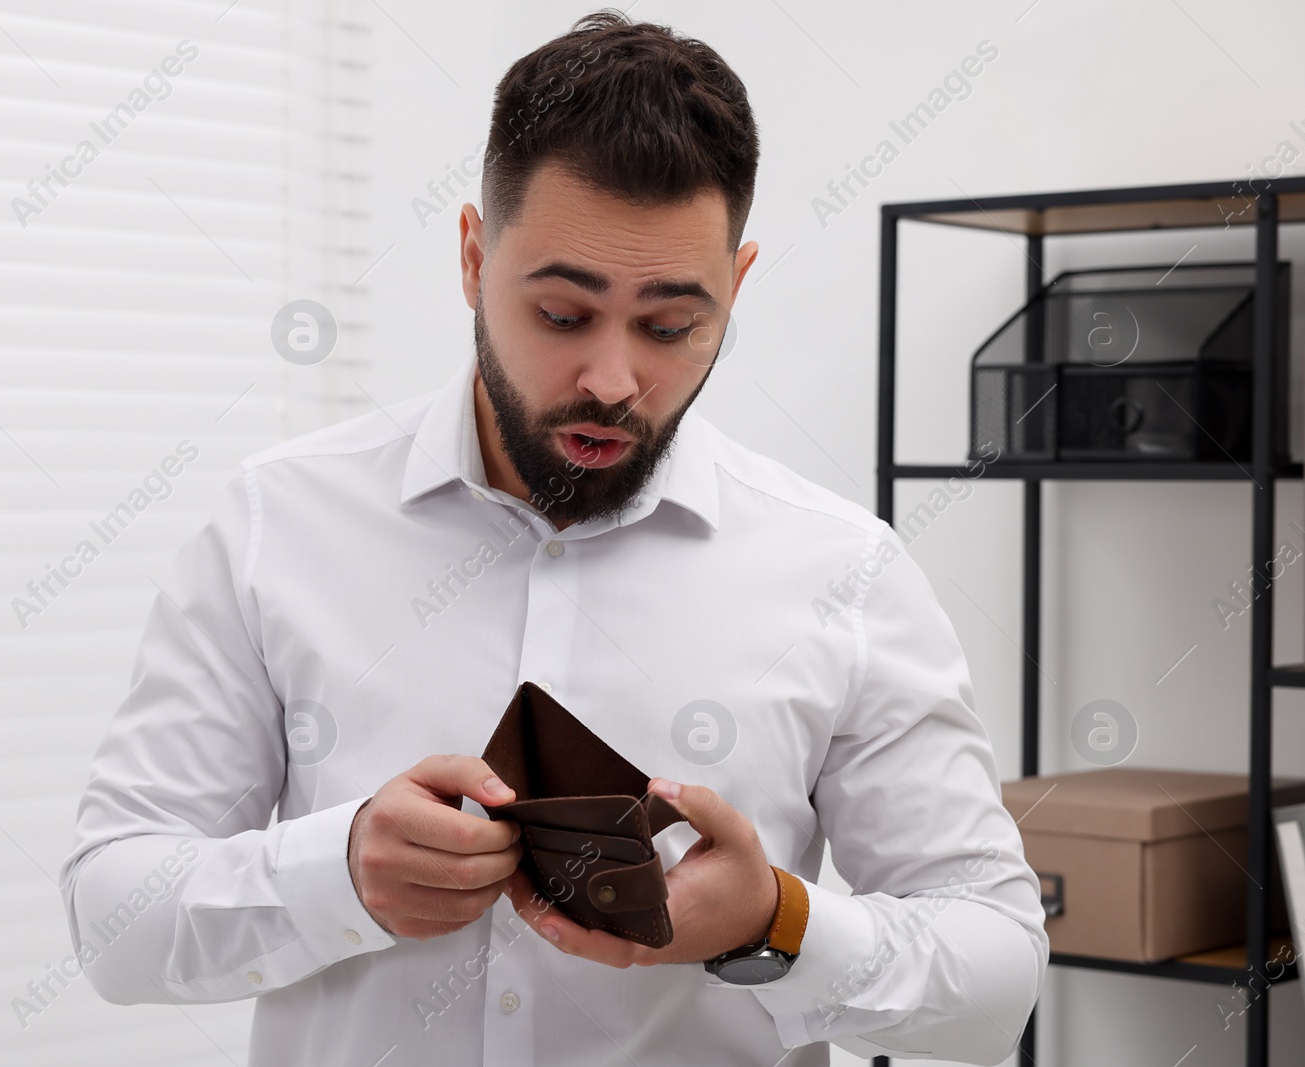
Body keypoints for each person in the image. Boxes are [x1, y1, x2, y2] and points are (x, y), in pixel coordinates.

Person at [59, 10, 1047, 1065]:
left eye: (671, 325)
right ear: (474, 255)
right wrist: (337, 872)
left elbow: (994, 976)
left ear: (737, 284)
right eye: (564, 313)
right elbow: (113, 914)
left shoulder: (845, 570)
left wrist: (774, 921)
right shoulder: (277, 520)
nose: (613, 379)